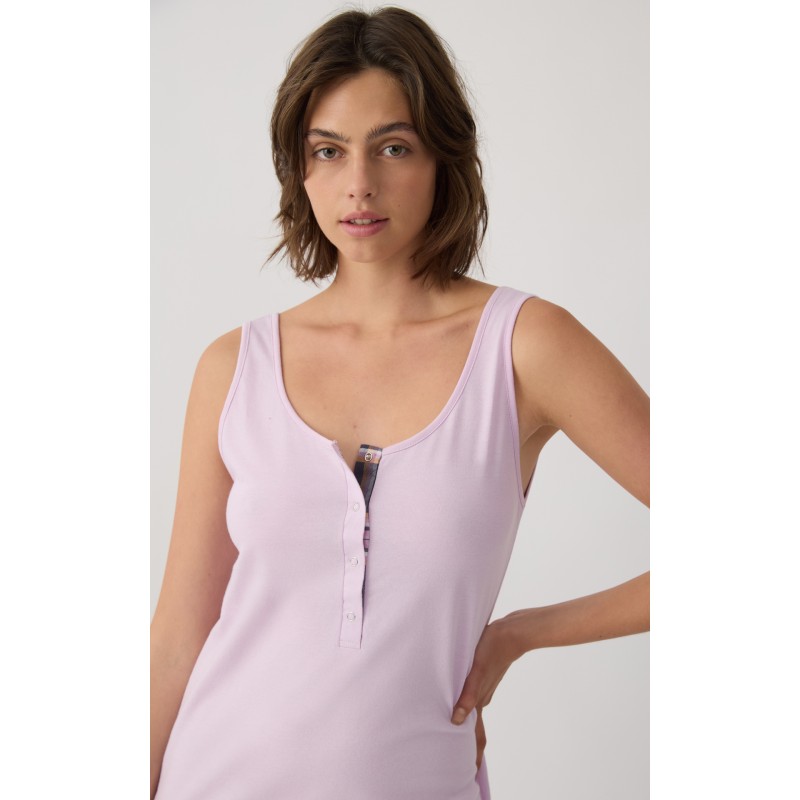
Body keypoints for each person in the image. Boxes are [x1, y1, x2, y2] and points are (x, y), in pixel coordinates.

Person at [150, 6, 649, 799]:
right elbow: (179, 636)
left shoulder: (525, 346)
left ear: (443, 156)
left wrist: (520, 634)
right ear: (299, 169)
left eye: (393, 146)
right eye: (328, 150)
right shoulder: (233, 367)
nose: (359, 184)